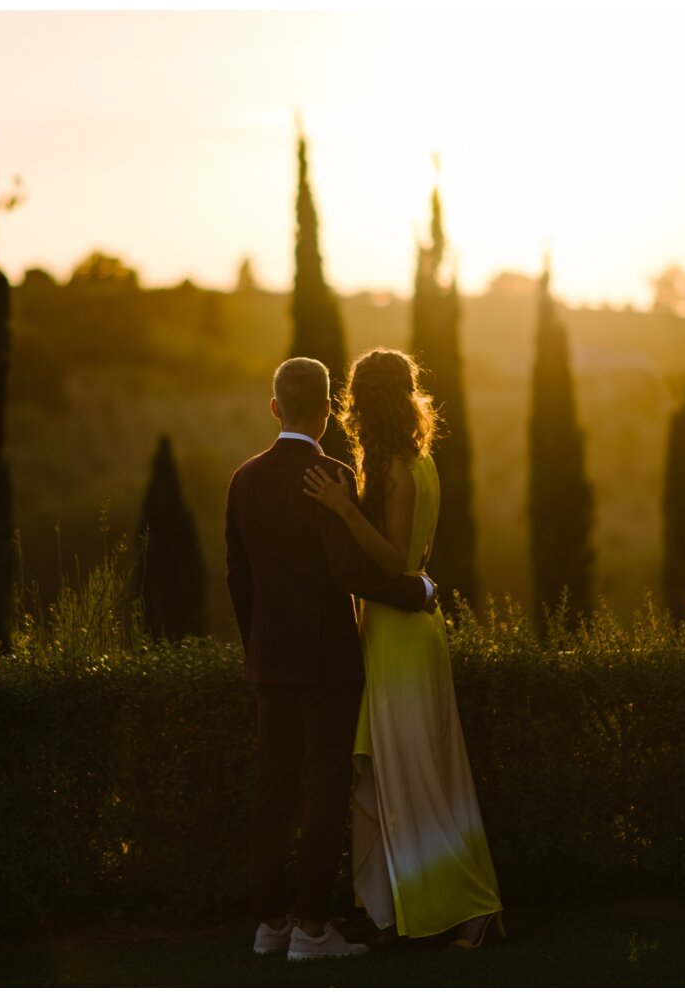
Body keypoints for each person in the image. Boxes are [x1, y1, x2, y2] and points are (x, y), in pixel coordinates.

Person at [226, 356, 439, 961]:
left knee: (270, 789)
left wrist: (258, 645)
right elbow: (350, 571)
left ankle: (268, 923)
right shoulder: (332, 475)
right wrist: (415, 591)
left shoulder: (243, 479)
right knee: (323, 791)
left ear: (275, 408)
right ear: (325, 410)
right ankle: (312, 929)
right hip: (329, 664)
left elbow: (237, 577)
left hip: (271, 661)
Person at [302, 348, 504, 950]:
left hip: (399, 633)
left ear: (364, 402)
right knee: (415, 772)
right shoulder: (420, 461)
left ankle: (469, 905)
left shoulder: (392, 468)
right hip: (405, 629)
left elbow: (394, 559)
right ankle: (413, 903)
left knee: (416, 775)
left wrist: (341, 508)